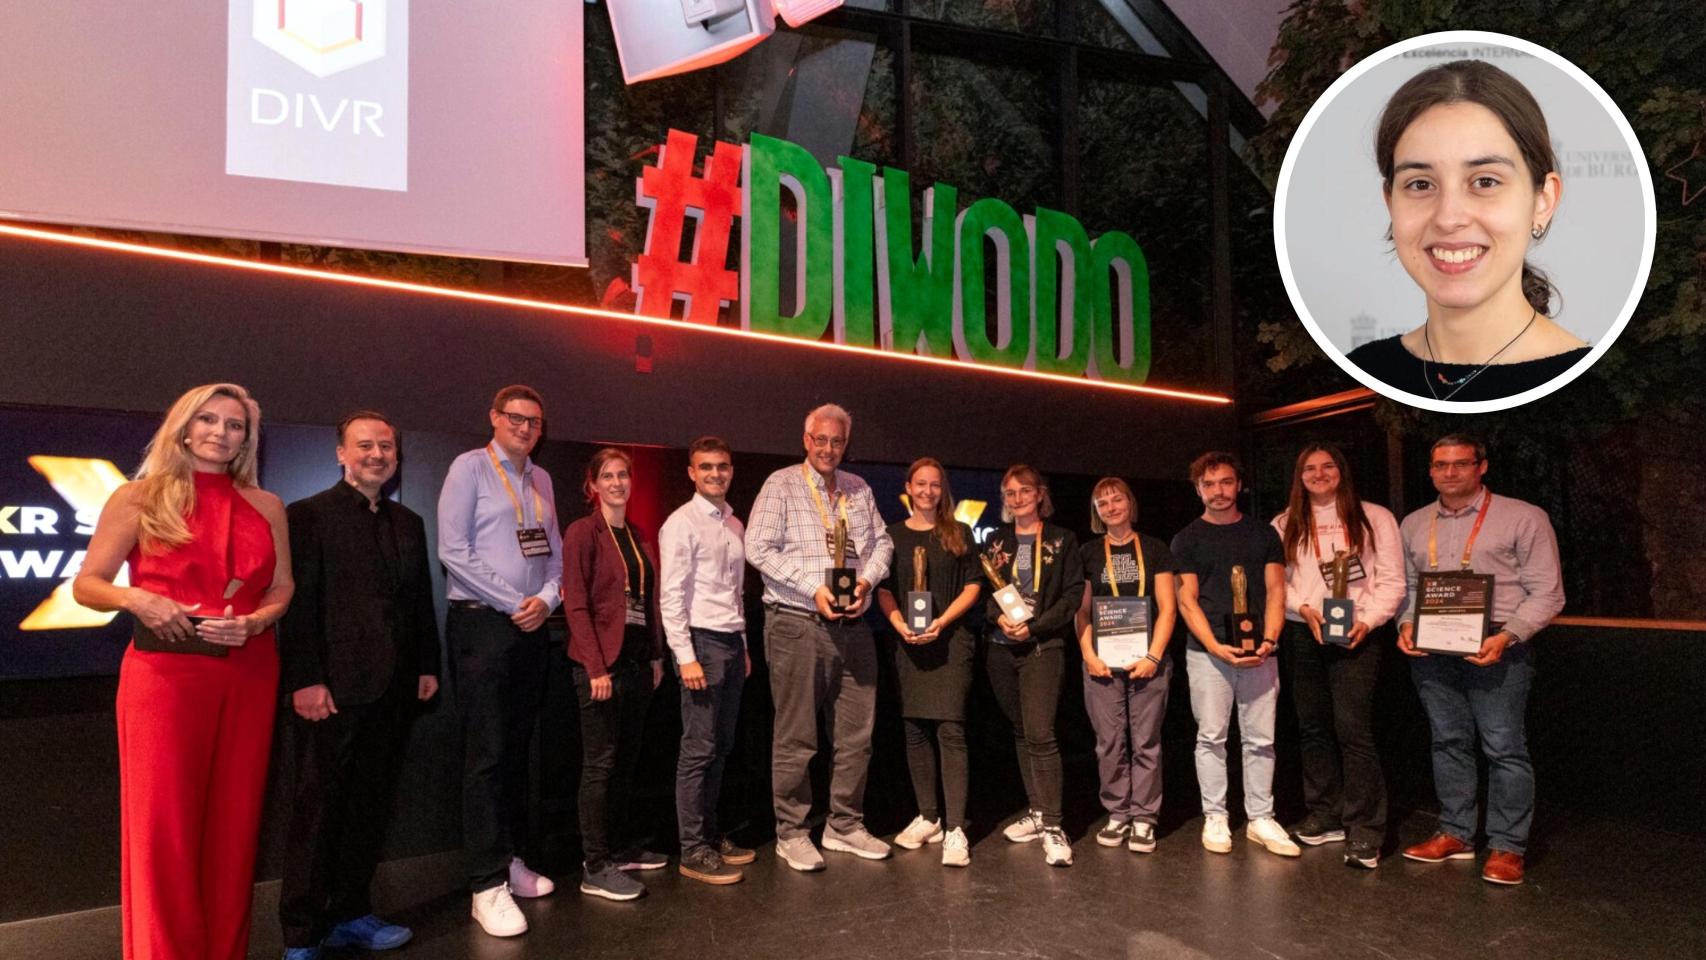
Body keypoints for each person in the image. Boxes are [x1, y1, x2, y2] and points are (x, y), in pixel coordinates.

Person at [72, 383, 293, 960]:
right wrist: (139, 600)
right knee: (164, 833)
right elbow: (88, 584)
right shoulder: (140, 496)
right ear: (183, 427)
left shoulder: (266, 504)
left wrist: (258, 622)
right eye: (209, 419)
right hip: (164, 679)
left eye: (236, 424)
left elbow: (282, 586)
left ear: (248, 437)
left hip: (248, 672)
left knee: (235, 829)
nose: (221, 432)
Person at [276, 411, 441, 959]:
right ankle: (301, 932)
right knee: (317, 812)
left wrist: (426, 666)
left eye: (386, 446)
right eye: (364, 445)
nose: (377, 454)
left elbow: (419, 605)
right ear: (341, 454)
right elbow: (297, 607)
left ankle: (351, 913)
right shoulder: (308, 516)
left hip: (393, 691)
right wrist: (305, 679)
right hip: (331, 693)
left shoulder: (408, 522)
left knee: (371, 807)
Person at [1346, 59, 1588, 402]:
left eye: (1485, 181)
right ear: (1390, 202)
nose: (1448, 217)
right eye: (1420, 184)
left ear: (1543, 201)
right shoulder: (1363, 369)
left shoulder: (1588, 386)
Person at [1395, 434, 1564, 885]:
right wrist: (1405, 625)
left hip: (1497, 645)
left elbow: (1547, 591)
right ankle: (1455, 833)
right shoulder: (1413, 523)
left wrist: (1508, 636)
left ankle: (1508, 846)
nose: (1449, 473)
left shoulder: (1523, 517)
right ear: (1430, 470)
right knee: (1448, 741)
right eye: (1440, 465)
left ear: (1481, 466)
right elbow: (1409, 588)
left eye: (1460, 464)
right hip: (1432, 646)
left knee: (1504, 746)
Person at [437, 385, 562, 937]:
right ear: (494, 418)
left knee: (516, 752)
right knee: (485, 756)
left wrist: (548, 600)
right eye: (515, 418)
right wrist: (516, 603)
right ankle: (484, 885)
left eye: (534, 421)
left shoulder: (543, 479)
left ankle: (509, 860)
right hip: (483, 624)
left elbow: (553, 554)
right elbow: (452, 551)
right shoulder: (469, 469)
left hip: (533, 626)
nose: (525, 427)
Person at [747, 403, 894, 871]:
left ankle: (844, 825)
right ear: (806, 440)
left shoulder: (858, 489)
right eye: (821, 440)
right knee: (797, 737)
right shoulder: (781, 484)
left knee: (857, 736)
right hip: (797, 623)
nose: (829, 448)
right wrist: (814, 589)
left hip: (854, 625)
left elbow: (883, 544)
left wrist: (867, 583)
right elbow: (756, 547)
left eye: (838, 441)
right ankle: (792, 831)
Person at [1270, 444, 1405, 869]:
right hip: (1303, 632)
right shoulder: (1285, 522)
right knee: (1312, 728)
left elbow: (1393, 581)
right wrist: (1303, 610)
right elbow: (1280, 584)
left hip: (1357, 633)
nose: (1319, 473)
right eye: (1309, 468)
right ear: (1299, 476)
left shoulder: (1374, 517)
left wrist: (1367, 620)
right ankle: (1325, 814)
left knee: (1353, 729)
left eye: (1327, 465)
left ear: (1342, 471)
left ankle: (1366, 829)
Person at [1171, 451, 1299, 859]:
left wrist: (1271, 638)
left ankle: (1261, 817)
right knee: (1211, 737)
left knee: (1261, 739)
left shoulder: (1264, 534)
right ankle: (1216, 816)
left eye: (1226, 482)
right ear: (1198, 489)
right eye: (1209, 484)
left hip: (1261, 650)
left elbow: (1277, 590)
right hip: (1207, 655)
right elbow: (1187, 600)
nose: (1218, 491)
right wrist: (1213, 646)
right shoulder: (1186, 539)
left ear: (1239, 485)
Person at [563, 447, 668, 900]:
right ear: (593, 484)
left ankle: (620, 848)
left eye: (623, 474)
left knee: (626, 762)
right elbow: (576, 604)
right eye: (607, 475)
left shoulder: (638, 535)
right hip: (600, 668)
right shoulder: (583, 532)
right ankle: (595, 863)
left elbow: (648, 603)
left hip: (639, 665)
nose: (617, 482)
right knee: (600, 766)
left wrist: (657, 656)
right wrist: (595, 667)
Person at [659, 436, 756, 885]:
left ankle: (711, 836)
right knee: (698, 749)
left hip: (731, 644)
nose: (715, 473)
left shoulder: (734, 524)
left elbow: (735, 593)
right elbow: (671, 596)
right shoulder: (682, 523)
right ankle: (692, 849)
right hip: (700, 644)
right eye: (706, 467)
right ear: (692, 473)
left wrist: (744, 646)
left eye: (722, 466)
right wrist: (685, 657)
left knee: (720, 747)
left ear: (730, 470)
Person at [876, 458, 982, 867]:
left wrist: (941, 621)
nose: (927, 491)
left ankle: (956, 827)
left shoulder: (960, 532)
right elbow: (884, 589)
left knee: (950, 731)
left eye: (935, 485)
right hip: (907, 642)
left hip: (951, 641)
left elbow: (974, 585)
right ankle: (928, 817)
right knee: (915, 730)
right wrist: (899, 622)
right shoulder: (891, 535)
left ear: (943, 490)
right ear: (908, 487)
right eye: (920, 484)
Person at [983, 464, 1084, 868]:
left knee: (1041, 733)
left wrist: (1036, 626)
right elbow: (985, 591)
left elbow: (1073, 594)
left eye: (1025, 490)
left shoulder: (1062, 539)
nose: (1017, 498)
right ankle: (1039, 812)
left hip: (1044, 646)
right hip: (1000, 648)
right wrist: (1000, 619)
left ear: (1040, 494)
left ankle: (1055, 826)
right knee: (1022, 730)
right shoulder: (995, 540)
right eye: (1010, 492)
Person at [1073, 478, 1177, 855]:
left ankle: (1145, 817)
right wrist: (1089, 656)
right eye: (1102, 502)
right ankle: (1118, 812)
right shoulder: (1087, 552)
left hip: (1148, 660)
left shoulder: (1154, 548)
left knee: (1146, 742)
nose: (1111, 506)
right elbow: (1081, 611)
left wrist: (1153, 657)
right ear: (1096, 512)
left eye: (1117, 499)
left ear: (1130, 503)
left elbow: (1168, 607)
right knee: (1109, 743)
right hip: (1102, 662)